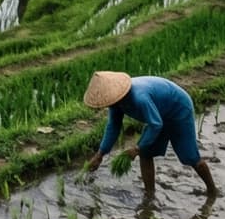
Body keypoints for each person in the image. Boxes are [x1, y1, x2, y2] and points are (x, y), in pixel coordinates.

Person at [82, 71, 217, 198]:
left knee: (190, 157)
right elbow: (113, 127)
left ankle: (212, 191)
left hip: (178, 109)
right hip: (159, 113)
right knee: (146, 154)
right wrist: (100, 155)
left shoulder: (139, 98)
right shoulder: (115, 104)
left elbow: (156, 124)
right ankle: (149, 195)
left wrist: (136, 148)